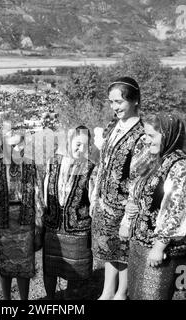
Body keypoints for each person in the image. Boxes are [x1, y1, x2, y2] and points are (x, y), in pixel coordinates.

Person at [120, 113, 186, 300]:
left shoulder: (179, 165)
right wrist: (131, 209)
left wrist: (159, 246)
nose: (146, 140)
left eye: (151, 136)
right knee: (137, 294)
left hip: (159, 250)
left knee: (152, 294)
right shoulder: (155, 159)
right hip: (139, 244)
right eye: (145, 135)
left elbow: (176, 208)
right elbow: (140, 191)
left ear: (167, 135)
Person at [91, 77, 146, 300]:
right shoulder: (114, 127)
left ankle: (121, 293)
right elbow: (103, 164)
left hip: (124, 207)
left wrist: (128, 218)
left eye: (119, 102)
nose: (114, 107)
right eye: (111, 102)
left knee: (123, 253)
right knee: (109, 251)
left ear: (134, 101)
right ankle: (107, 291)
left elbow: (138, 179)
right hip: (105, 203)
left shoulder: (141, 134)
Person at [0, 127, 44, 300]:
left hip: (24, 220)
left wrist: (39, 226)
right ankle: (6, 300)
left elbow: (38, 195)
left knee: (24, 265)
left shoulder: (30, 165)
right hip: (1, 222)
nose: (17, 149)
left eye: (20, 144)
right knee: (5, 265)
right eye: (12, 145)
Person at [43, 125, 95, 299]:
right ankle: (50, 299)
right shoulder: (53, 161)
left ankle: (70, 299)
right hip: (53, 225)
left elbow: (93, 198)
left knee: (76, 272)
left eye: (86, 146)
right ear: (69, 141)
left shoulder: (90, 168)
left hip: (78, 228)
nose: (81, 150)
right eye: (78, 144)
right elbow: (44, 189)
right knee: (50, 267)